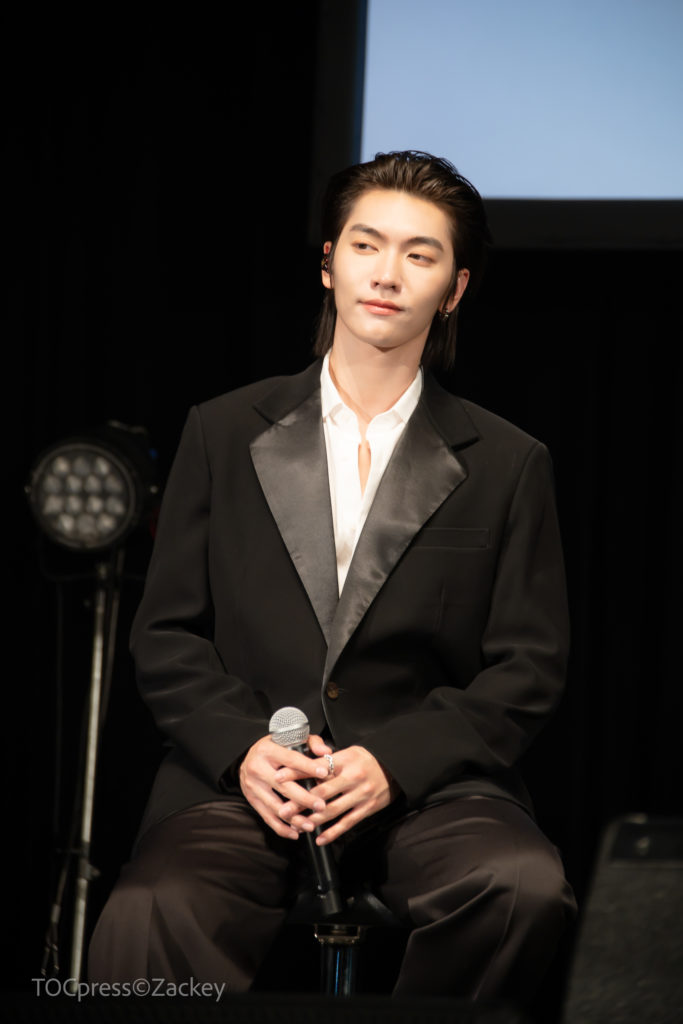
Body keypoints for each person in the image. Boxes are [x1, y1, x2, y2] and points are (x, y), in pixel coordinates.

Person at [89, 150, 576, 1004]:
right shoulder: (221, 430)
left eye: (419, 255)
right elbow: (165, 634)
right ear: (327, 264)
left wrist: (394, 761)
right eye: (365, 245)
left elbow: (527, 665)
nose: (387, 274)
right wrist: (244, 749)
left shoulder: (507, 460)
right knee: (151, 911)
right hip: (246, 777)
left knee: (519, 891)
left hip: (429, 785)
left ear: (454, 289)